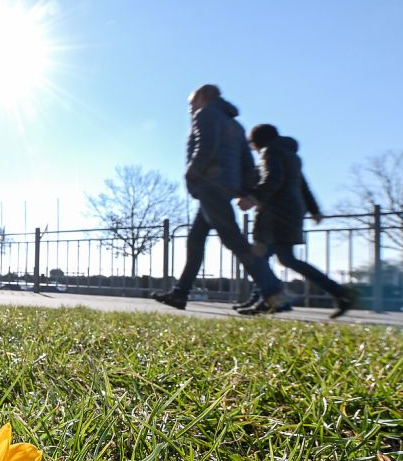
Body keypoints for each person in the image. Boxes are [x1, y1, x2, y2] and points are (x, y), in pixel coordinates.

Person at [152, 84, 291, 313]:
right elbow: (247, 162)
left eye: (192, 103)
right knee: (195, 241)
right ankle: (180, 293)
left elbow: (206, 147)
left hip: (210, 185)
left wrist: (190, 174)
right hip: (224, 187)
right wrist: (245, 190)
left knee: (233, 240)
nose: (190, 109)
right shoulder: (236, 125)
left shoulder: (206, 114)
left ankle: (274, 292)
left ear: (203, 98)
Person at [235, 124, 355, 317]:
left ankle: (272, 299)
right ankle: (339, 292)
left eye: (252, 144)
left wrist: (252, 198)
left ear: (258, 141)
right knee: (285, 259)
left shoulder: (270, 152)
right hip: (291, 213)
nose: (253, 148)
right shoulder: (291, 155)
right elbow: (303, 186)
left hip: (274, 215)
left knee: (257, 258)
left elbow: (273, 179)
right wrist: (314, 210)